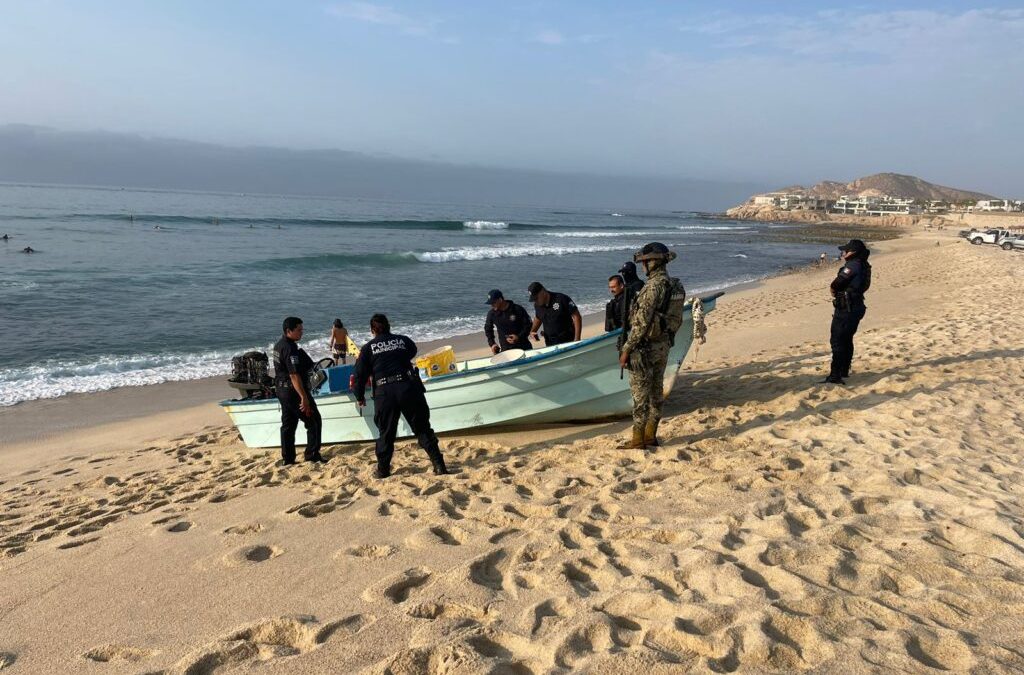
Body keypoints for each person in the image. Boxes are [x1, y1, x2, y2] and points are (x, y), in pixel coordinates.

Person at [352, 314, 449, 479]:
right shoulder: (403, 340)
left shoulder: (368, 348)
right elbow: (412, 351)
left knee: (386, 433)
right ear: (389, 326)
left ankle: (383, 470)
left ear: (372, 330)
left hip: (384, 392)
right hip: (408, 387)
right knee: (422, 428)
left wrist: (359, 396)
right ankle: (439, 465)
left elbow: (359, 376)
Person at [617, 242, 678, 449]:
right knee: (656, 392)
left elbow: (641, 323)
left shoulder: (652, 287)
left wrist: (626, 349)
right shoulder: (674, 285)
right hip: (664, 344)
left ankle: (637, 440)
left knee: (640, 397)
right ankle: (651, 435)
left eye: (645, 262)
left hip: (645, 348)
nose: (643, 266)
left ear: (654, 262)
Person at [272, 317, 326, 465]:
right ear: (289, 331)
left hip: (281, 390)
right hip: (292, 391)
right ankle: (312, 455)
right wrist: (304, 397)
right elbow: (294, 375)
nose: (302, 332)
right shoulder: (290, 348)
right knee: (313, 420)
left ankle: (288, 459)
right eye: (299, 330)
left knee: (288, 424)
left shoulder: (278, 345)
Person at [825, 239, 872, 385]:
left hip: (847, 308)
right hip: (856, 306)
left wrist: (834, 291)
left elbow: (836, 284)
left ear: (853, 252)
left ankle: (835, 375)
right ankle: (844, 370)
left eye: (845, 251)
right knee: (847, 339)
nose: (843, 253)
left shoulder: (853, 265)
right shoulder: (864, 265)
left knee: (838, 341)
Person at [527, 282, 582, 346]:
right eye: (533, 299)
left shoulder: (561, 299)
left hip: (567, 340)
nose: (535, 301)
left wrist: (577, 339)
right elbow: (538, 317)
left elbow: (576, 317)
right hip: (550, 342)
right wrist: (533, 331)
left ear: (543, 292)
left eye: (536, 298)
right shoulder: (537, 305)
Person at [484, 289, 532, 354]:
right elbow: (488, 329)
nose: (492, 305)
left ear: (500, 300)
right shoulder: (492, 314)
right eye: (490, 303)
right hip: (506, 350)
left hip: (524, 347)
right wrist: (492, 344)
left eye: (493, 303)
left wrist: (519, 337)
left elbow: (528, 325)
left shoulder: (517, 309)